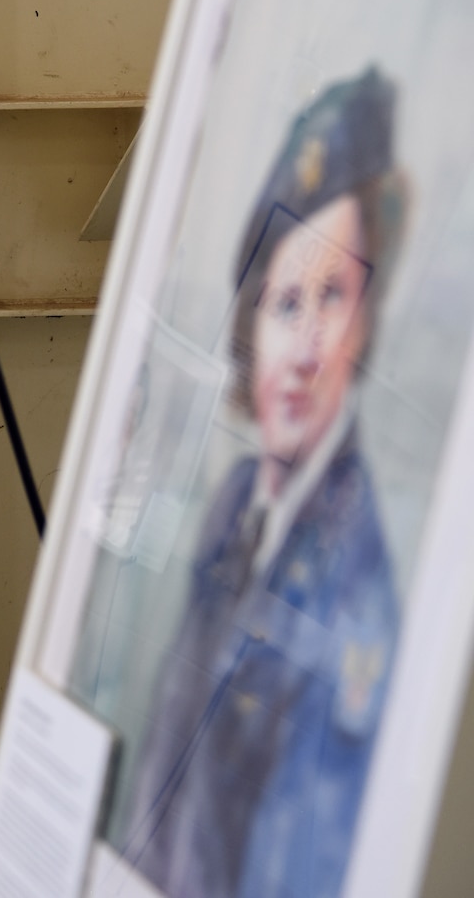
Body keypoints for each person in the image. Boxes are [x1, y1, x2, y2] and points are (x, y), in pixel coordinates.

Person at [121, 68, 404, 898]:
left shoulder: (357, 578)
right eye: (286, 302)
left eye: (333, 296)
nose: (306, 345)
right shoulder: (235, 502)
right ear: (251, 321)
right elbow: (167, 778)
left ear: (366, 322)